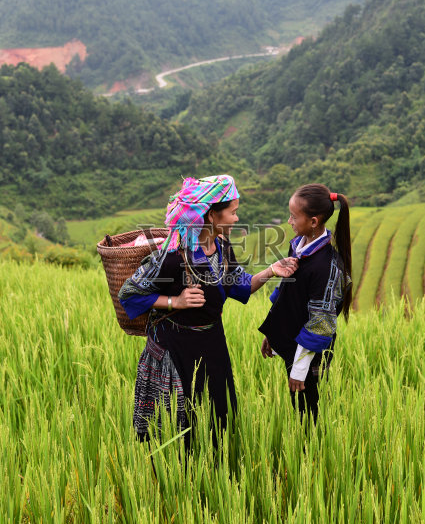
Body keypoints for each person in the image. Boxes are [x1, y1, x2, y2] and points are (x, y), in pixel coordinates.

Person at [118, 175, 298, 445]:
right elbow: (129, 293)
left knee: (218, 417)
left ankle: (213, 475)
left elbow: (241, 286)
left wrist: (272, 270)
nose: (237, 219)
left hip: (212, 344)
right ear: (212, 215)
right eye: (233, 212)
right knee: (178, 425)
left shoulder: (223, 249)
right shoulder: (172, 256)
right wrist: (174, 301)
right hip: (175, 349)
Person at [258, 184, 352, 422]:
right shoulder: (297, 245)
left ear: (313, 221)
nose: (289, 221)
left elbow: (320, 323)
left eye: (293, 216)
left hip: (310, 354)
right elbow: (287, 293)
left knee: (309, 414)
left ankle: (313, 456)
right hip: (292, 342)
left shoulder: (327, 267)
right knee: (298, 407)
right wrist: (273, 332)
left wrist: (299, 370)